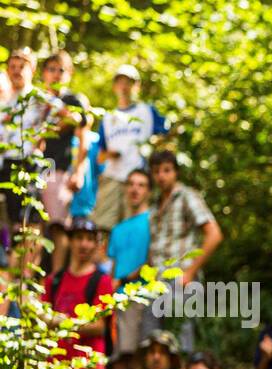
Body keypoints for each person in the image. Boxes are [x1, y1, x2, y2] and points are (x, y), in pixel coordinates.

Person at [147, 149, 222, 351]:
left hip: (180, 277)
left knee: (180, 339)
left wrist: (190, 271)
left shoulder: (187, 196)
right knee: (153, 341)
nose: (161, 176)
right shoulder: (154, 204)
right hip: (156, 280)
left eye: (166, 170)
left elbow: (214, 234)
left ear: (176, 172)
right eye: (156, 171)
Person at [42, 218, 117, 369]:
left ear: (95, 244)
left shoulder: (101, 281)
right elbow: (42, 316)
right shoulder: (54, 280)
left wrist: (61, 321)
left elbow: (100, 326)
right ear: (71, 241)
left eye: (89, 239)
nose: (84, 244)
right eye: (79, 238)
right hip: (54, 368)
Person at [90, 65, 167, 231]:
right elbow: (99, 156)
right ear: (115, 86)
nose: (124, 87)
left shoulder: (146, 111)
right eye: (121, 82)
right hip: (112, 178)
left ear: (137, 86)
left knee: (132, 227)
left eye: (129, 83)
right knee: (102, 226)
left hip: (137, 178)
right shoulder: (108, 117)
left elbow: (166, 138)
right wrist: (109, 154)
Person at [36, 51, 91, 274]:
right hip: (33, 170)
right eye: (51, 69)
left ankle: (57, 279)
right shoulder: (35, 100)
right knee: (33, 227)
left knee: (58, 226)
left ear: (69, 73)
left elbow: (83, 138)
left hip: (58, 170)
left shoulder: (72, 101)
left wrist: (79, 172)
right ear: (43, 72)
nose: (56, 74)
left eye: (61, 70)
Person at [0, 47, 59, 238]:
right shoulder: (5, 101)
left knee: (28, 221)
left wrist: (43, 135)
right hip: (5, 164)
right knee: (9, 220)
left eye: (21, 66)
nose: (16, 71)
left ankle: (26, 266)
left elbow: (72, 117)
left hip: (29, 164)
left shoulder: (39, 97)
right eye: (12, 67)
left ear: (32, 70)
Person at [104, 168, 153, 369]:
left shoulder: (153, 220)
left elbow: (154, 259)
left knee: (138, 357)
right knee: (118, 360)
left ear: (149, 191)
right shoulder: (117, 229)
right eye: (131, 184)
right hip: (117, 299)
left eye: (141, 185)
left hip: (142, 297)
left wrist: (126, 279)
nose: (135, 189)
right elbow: (112, 265)